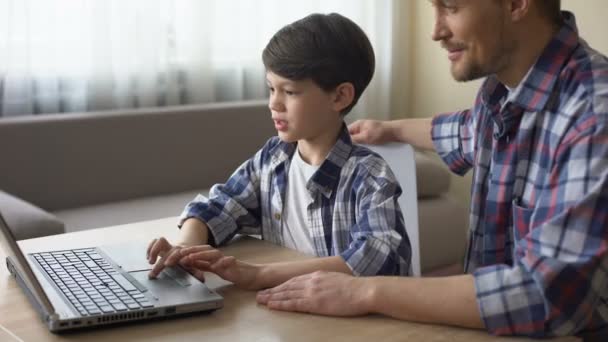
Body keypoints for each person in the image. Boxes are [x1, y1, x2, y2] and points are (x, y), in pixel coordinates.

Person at [255, 0, 608, 339]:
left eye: (451, 7)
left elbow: (544, 294)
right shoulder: (499, 96)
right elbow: (465, 131)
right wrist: (389, 129)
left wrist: (365, 291)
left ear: (516, 3)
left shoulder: (593, 116)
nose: (435, 31)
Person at [146, 13, 412, 292]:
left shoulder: (369, 175)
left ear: (340, 96)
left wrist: (261, 275)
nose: (274, 103)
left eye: (290, 92)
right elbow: (218, 205)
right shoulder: (274, 157)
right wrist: (187, 248)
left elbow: (377, 257)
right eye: (271, 88)